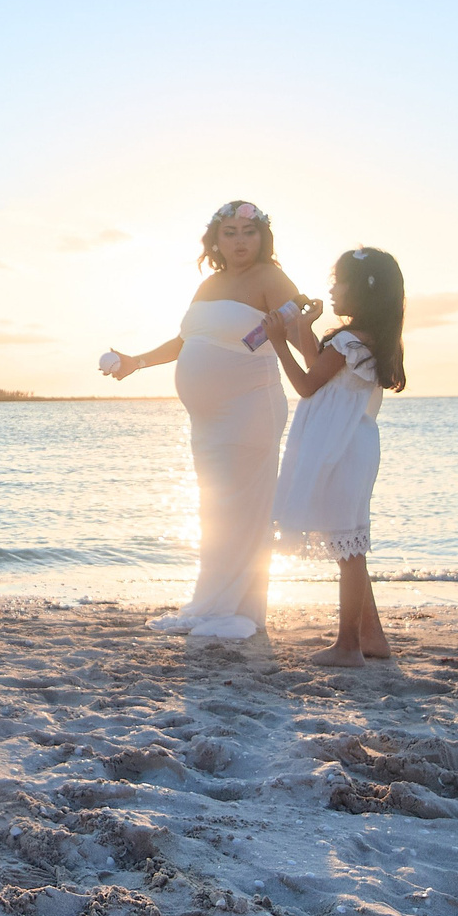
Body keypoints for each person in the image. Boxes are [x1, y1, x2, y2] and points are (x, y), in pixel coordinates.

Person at [105, 202, 302, 639]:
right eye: (230, 232)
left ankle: (230, 608)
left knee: (241, 510)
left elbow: (300, 336)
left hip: (251, 409)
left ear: (262, 236)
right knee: (215, 509)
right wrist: (135, 362)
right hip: (208, 422)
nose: (240, 241)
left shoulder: (270, 278)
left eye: (249, 231)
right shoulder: (210, 283)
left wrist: (310, 325)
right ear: (216, 239)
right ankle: (225, 605)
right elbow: (185, 340)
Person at [264, 247, 407, 666]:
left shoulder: (348, 340)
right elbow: (320, 369)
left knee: (349, 548)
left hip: (339, 448)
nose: (332, 287)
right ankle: (372, 637)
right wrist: (304, 329)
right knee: (348, 541)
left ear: (363, 290)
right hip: (351, 443)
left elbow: (307, 385)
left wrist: (278, 341)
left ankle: (348, 646)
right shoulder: (367, 340)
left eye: (339, 280)